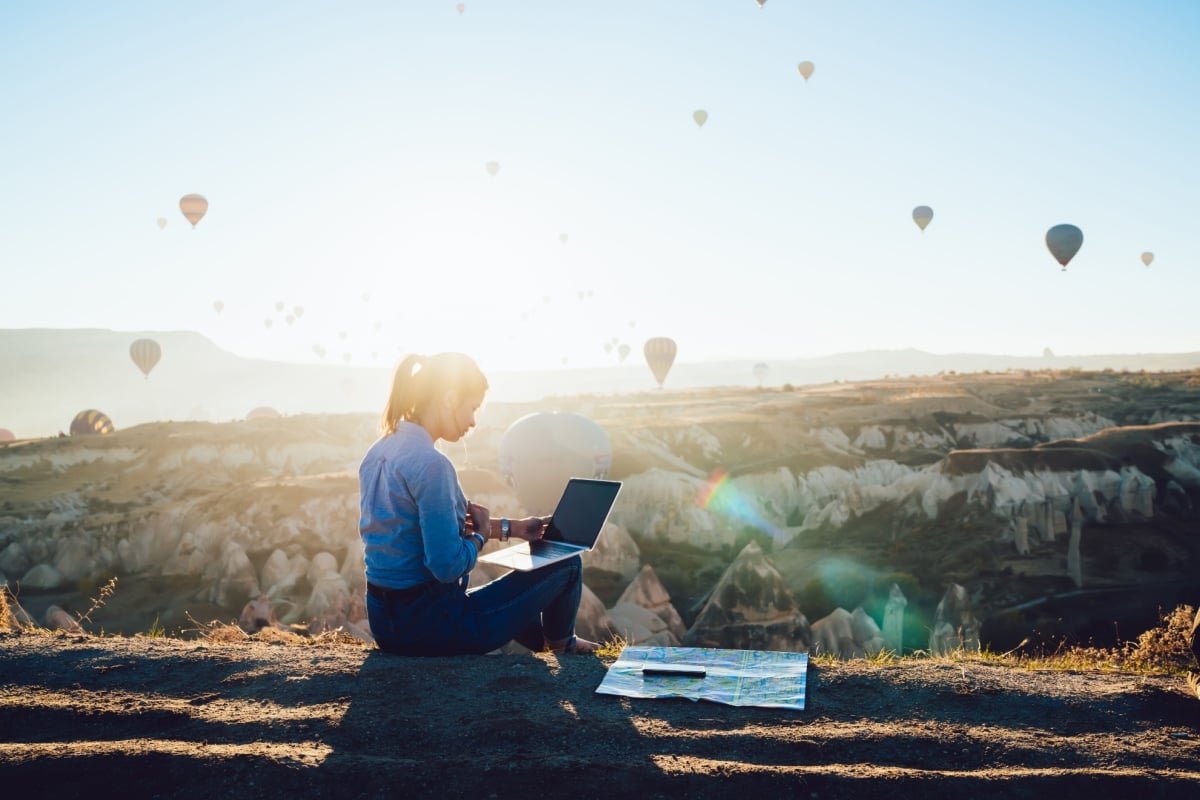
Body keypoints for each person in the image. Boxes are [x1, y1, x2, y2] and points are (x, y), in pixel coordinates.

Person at [358, 351, 600, 656]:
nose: (473, 421)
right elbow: (446, 566)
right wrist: (481, 537)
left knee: (508, 597)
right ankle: (562, 642)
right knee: (567, 564)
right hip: (433, 629)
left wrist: (517, 528)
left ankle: (542, 642)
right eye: (472, 407)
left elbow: (439, 527)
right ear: (448, 398)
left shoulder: (378, 452)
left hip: (388, 625)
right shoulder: (432, 465)